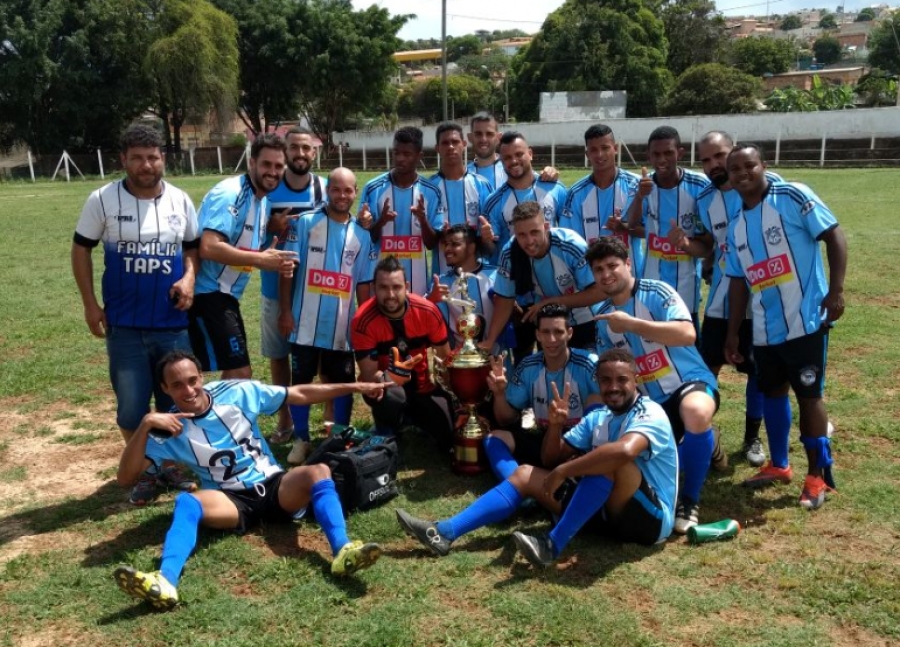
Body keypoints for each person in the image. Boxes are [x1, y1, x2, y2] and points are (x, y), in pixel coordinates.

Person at [112, 351, 388, 610]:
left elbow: (298, 393)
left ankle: (343, 551)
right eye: (177, 385)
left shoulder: (238, 392)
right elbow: (125, 478)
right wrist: (146, 424)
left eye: (193, 380)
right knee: (187, 501)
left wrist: (355, 386)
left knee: (318, 471)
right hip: (230, 501)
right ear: (165, 389)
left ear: (202, 377)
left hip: (275, 487)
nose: (188, 390)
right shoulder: (168, 428)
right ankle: (166, 580)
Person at [395, 348, 678, 567]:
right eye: (605, 380)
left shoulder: (649, 412)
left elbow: (625, 451)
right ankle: (444, 532)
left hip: (648, 523)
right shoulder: (599, 417)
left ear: (637, 381)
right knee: (524, 474)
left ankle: (551, 545)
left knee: (611, 461)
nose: (613, 387)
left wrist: (565, 470)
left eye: (621, 380)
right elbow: (550, 456)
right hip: (604, 516)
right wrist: (555, 425)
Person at [71, 123, 200, 506]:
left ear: (163, 158)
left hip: (172, 325)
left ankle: (168, 465)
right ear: (124, 159)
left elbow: (193, 249)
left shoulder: (180, 200)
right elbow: (81, 249)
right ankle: (147, 468)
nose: (147, 164)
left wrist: (189, 279)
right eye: (138, 157)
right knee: (131, 406)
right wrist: (90, 304)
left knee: (175, 403)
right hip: (124, 325)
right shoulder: (103, 200)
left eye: (153, 156)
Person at [724, 143, 847, 510]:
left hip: (806, 320)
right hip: (764, 328)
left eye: (750, 165)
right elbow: (736, 280)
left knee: (810, 396)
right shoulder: (737, 226)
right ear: (728, 178)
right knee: (773, 392)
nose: (742, 173)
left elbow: (834, 236)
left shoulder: (792, 195)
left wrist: (836, 292)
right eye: (735, 170)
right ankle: (780, 466)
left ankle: (817, 477)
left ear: (764, 165)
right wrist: (733, 332)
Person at [587, 236, 722, 533]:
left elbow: (687, 334)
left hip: (688, 382)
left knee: (696, 413)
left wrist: (632, 324)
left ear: (628, 264)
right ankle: (708, 443)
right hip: (650, 402)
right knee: (633, 459)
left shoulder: (657, 291)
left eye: (612, 266)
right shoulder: (602, 317)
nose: (606, 274)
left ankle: (689, 500)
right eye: (598, 270)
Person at [687, 131, 788, 467]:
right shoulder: (704, 199)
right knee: (706, 367)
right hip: (721, 298)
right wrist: (695, 252)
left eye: (719, 156)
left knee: (758, 372)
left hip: (762, 297)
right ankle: (699, 432)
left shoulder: (770, 185)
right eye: (706, 160)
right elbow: (711, 245)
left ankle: (752, 438)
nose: (714, 165)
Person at [278, 168, 376, 465]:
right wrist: (285, 311)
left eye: (348, 191)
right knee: (302, 380)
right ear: (328, 191)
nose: (342, 196)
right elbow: (287, 269)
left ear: (355, 192)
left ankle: (341, 437)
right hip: (303, 322)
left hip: (341, 327)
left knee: (343, 381)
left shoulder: (362, 234)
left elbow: (363, 284)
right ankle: (301, 439)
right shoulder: (306, 223)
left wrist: (363, 326)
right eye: (336, 189)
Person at [188, 133, 296, 379]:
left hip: (226, 296)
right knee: (239, 372)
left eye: (279, 166)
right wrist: (261, 259)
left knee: (236, 371)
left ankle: (211, 416)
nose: (273, 171)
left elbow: (239, 230)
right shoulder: (231, 192)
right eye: (266, 164)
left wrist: (270, 226)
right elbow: (209, 247)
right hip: (207, 294)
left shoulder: (262, 200)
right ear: (252, 162)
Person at [260, 127, 328, 441]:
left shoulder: (324, 189)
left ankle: (328, 422)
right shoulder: (268, 192)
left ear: (314, 152)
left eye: (306, 148)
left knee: (325, 355)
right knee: (279, 355)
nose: (300, 154)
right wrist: (270, 229)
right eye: (294, 148)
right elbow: (253, 245)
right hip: (275, 288)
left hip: (315, 291)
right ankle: (285, 420)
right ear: (285, 152)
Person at [483, 304, 599, 482]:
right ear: (537, 335)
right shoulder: (528, 367)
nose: (552, 339)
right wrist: (499, 394)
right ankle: (517, 486)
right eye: (545, 332)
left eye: (558, 332)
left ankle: (547, 481)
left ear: (569, 333)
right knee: (495, 438)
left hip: (580, 445)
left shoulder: (589, 364)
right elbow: (506, 419)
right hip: (546, 441)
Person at [350, 256, 455, 452]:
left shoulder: (428, 311)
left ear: (406, 286)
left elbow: (445, 360)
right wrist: (391, 376)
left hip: (423, 388)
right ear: (374, 287)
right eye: (383, 287)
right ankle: (387, 426)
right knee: (386, 395)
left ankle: (415, 418)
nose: (390, 294)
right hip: (387, 389)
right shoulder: (362, 320)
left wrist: (451, 396)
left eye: (396, 287)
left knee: (449, 438)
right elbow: (368, 377)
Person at [479, 201, 603, 361]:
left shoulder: (571, 245)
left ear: (546, 226)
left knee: (588, 367)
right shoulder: (509, 252)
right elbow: (505, 299)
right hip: (545, 322)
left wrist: (551, 302)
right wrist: (490, 340)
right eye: (521, 235)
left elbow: (599, 292)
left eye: (534, 232)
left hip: (584, 319)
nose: (529, 241)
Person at [626, 126, 709, 330]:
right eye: (656, 154)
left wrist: (684, 242)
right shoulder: (643, 185)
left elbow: (707, 246)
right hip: (652, 282)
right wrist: (639, 196)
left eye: (668, 153)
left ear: (680, 153)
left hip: (686, 286)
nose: (662, 159)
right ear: (649, 156)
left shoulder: (700, 186)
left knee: (686, 344)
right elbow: (631, 224)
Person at [356, 127, 444, 297]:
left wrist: (422, 219)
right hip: (381, 281)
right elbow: (365, 240)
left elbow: (432, 244)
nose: (400, 158)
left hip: (416, 282)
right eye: (396, 152)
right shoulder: (373, 188)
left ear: (419, 156)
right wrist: (380, 222)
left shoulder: (431, 192)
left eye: (407, 154)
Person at [560, 124, 644, 276]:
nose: (599, 154)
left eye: (605, 148)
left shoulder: (635, 186)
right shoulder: (576, 193)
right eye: (593, 150)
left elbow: (650, 232)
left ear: (615, 148)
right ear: (587, 154)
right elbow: (571, 242)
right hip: (593, 280)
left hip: (631, 277)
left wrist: (625, 227)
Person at [482, 131, 568, 262]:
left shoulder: (556, 188)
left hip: (554, 271)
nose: (514, 161)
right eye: (507, 158)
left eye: (519, 154)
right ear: (501, 161)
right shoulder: (493, 202)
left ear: (530, 154)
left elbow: (569, 235)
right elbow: (492, 251)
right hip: (517, 275)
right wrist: (486, 240)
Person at [429, 122, 494, 272]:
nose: (451, 147)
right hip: (442, 273)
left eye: (455, 142)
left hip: (478, 273)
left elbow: (490, 235)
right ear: (437, 148)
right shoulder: (428, 188)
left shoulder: (481, 185)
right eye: (445, 143)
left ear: (464, 144)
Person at [428, 224, 498, 351]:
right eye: (446, 244)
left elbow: (515, 316)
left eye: (455, 244)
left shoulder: (496, 276)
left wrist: (513, 308)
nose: (447, 249)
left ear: (471, 248)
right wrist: (431, 299)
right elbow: (422, 315)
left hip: (496, 359)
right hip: (459, 362)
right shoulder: (441, 283)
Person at [466, 112, 508, 189]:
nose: (483, 139)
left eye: (489, 134)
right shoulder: (463, 176)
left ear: (498, 138)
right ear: (470, 138)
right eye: (478, 134)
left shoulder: (510, 171)